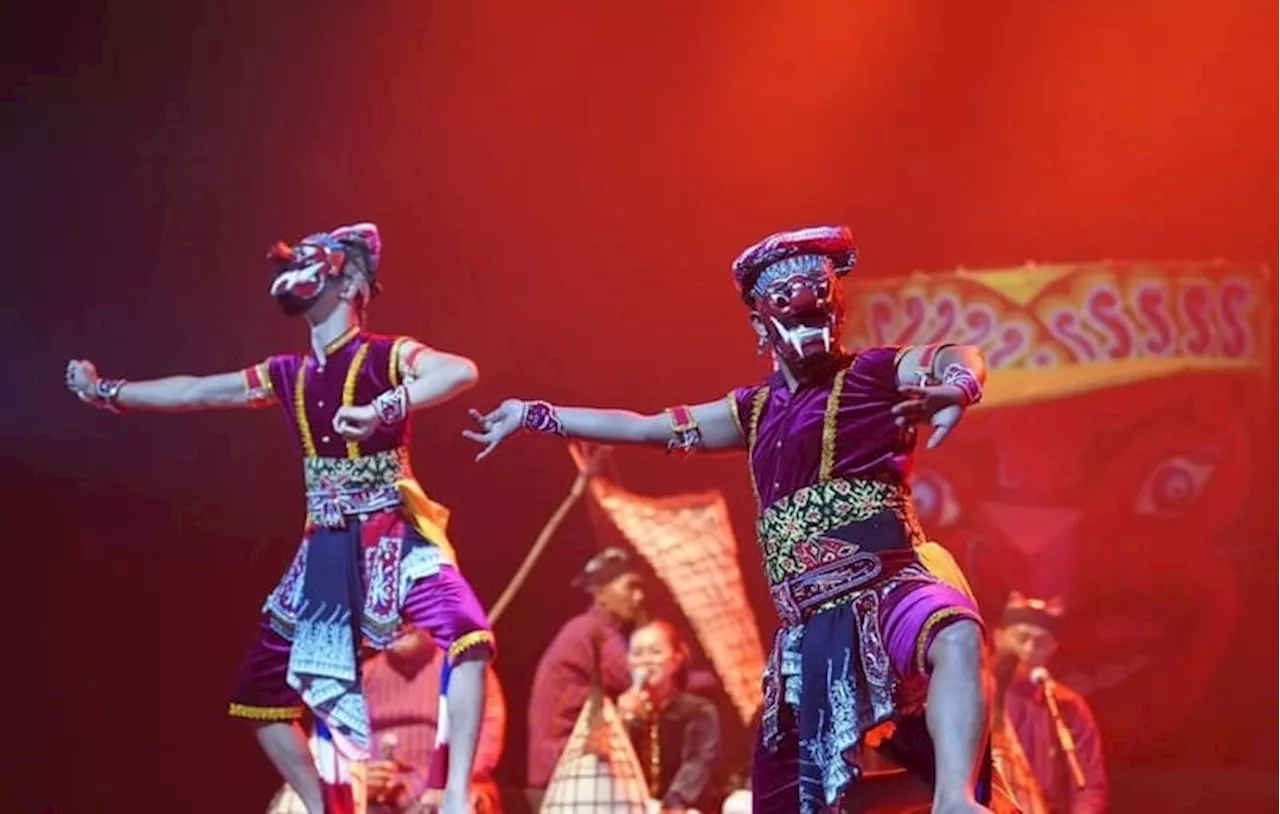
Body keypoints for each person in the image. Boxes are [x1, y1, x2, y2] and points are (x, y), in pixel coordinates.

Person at [464, 225, 994, 813]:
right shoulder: (752, 410)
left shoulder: (872, 373)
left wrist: (960, 386)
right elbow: (644, 427)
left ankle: (954, 801)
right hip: (808, 626)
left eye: (817, 293)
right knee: (793, 799)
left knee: (953, 630)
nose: (806, 306)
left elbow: (955, 355)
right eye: (787, 300)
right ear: (761, 325)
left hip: (886, 585)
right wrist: (534, 414)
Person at [65, 222, 495, 814]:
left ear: (347, 285)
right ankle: (329, 808)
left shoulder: (385, 355)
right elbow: (198, 392)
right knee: (260, 698)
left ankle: (453, 798)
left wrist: (382, 407)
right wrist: (108, 392)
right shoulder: (288, 373)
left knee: (468, 634)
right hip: (324, 553)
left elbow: (460, 370)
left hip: (392, 535)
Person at [525, 547, 646, 810]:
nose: (639, 597)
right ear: (601, 593)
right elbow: (638, 680)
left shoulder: (585, 630)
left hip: (559, 766)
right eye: (630, 587)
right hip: (567, 770)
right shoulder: (594, 633)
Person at [993, 593, 1107, 814]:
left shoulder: (1067, 706)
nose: (1028, 649)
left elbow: (1088, 787)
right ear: (999, 638)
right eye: (1021, 638)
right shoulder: (979, 694)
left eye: (1040, 642)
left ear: (1053, 648)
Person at [618, 620, 722, 813]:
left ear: (676, 660)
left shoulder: (698, 711)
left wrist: (673, 804)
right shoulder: (625, 713)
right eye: (637, 653)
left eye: (655, 652)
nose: (645, 660)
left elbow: (696, 764)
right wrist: (621, 722)